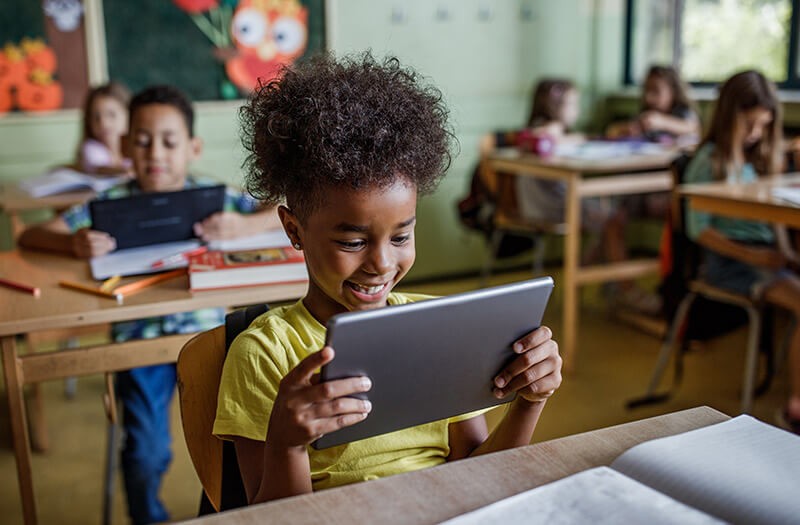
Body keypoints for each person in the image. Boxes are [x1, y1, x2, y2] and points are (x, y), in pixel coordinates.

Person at [212, 53, 563, 504]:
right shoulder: (265, 353)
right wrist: (287, 444)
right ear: (294, 230)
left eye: (401, 236)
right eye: (353, 242)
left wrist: (530, 401)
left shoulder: (436, 327)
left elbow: (479, 474)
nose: (381, 263)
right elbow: (271, 517)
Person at [19, 84, 282, 524]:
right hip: (138, 343)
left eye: (169, 141)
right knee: (146, 452)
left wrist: (242, 226)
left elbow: (280, 210)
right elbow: (31, 235)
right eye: (141, 140)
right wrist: (75, 243)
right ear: (124, 145)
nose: (155, 152)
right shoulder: (108, 204)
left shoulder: (214, 195)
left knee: (242, 442)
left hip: (211, 340)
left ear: (192, 148)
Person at [683, 70, 800, 435]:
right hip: (731, 264)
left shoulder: (759, 159)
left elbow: (773, 219)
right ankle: (796, 408)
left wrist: (783, 252)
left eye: (763, 126)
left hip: (766, 257)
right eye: (750, 124)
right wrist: (756, 259)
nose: (755, 134)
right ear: (729, 115)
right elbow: (698, 229)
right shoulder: (710, 159)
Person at [606, 65, 700, 145]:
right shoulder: (647, 112)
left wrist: (662, 122)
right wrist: (630, 129)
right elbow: (612, 130)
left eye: (656, 91)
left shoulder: (682, 111)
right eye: (646, 90)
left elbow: (693, 128)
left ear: (674, 92)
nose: (648, 97)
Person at [76, 81, 133, 175]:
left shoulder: (137, 149)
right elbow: (97, 168)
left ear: (129, 115)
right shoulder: (91, 148)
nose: (103, 123)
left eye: (111, 115)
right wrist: (126, 172)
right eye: (96, 117)